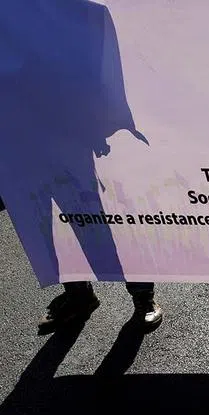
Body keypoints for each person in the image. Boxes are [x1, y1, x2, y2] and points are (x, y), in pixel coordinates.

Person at [0, 0, 162, 333]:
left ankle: (143, 295)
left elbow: (105, 71)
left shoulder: (82, 15)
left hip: (69, 134)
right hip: (16, 141)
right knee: (42, 222)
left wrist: (106, 121)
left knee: (101, 218)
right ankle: (77, 295)